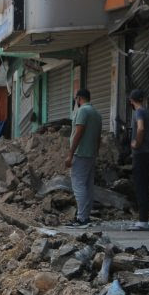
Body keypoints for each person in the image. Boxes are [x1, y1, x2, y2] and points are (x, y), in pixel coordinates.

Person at [64, 88, 103, 228]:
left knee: (78, 185)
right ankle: (85, 216)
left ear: (79, 98)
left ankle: (81, 219)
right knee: (87, 185)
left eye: (76, 99)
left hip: (80, 153)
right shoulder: (97, 114)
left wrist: (70, 154)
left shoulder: (82, 111)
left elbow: (78, 133)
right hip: (91, 154)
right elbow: (99, 137)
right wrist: (96, 152)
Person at [129, 89, 149, 231]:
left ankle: (142, 221)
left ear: (131, 101)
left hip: (140, 154)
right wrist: (148, 143)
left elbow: (140, 129)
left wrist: (137, 143)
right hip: (148, 152)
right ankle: (144, 218)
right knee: (144, 186)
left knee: (140, 186)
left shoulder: (138, 112)